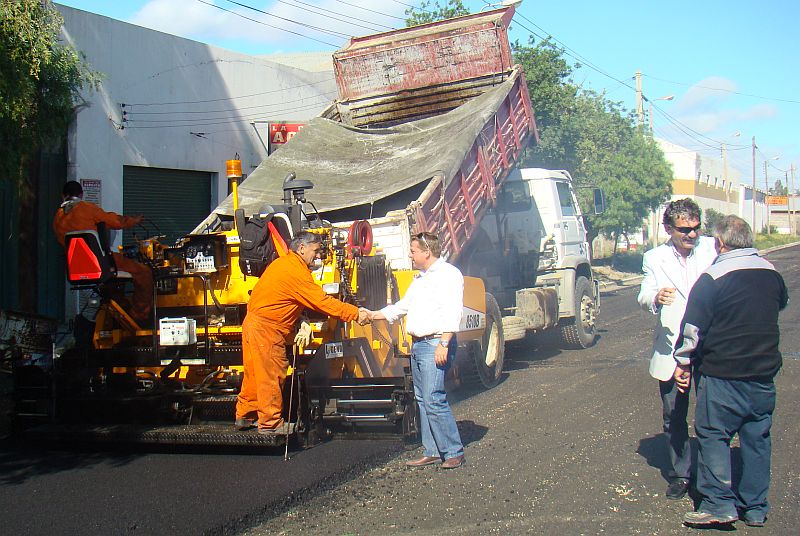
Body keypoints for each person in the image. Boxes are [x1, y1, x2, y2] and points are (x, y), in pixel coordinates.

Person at [674, 215, 787, 528]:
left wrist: (683, 363)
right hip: (763, 376)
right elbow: (779, 305)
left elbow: (692, 329)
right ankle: (755, 507)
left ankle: (718, 503)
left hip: (722, 375)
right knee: (757, 439)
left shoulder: (712, 277)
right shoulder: (771, 272)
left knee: (713, 436)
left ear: (719, 243)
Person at [235, 231, 370, 434]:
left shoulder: (282, 264)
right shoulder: (296, 272)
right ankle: (270, 424)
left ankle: (246, 415)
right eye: (315, 251)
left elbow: (283, 297)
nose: (318, 256)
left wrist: (301, 318)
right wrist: (355, 313)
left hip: (253, 324)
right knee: (272, 374)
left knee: (254, 372)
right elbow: (322, 302)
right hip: (268, 329)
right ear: (301, 248)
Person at [637, 198, 717, 500]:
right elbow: (643, 294)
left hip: (710, 345)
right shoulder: (654, 258)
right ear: (669, 228)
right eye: (685, 230)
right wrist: (656, 296)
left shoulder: (712, 249)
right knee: (674, 415)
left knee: (712, 415)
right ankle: (681, 473)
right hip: (672, 347)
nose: (692, 235)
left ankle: (710, 477)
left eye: (696, 229)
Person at [366, 231, 465, 469]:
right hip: (419, 344)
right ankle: (432, 450)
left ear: (426, 252)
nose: (410, 255)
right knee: (422, 399)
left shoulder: (449, 275)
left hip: (435, 343)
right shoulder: (420, 279)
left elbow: (453, 311)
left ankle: (454, 451)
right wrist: (372, 315)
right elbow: (401, 307)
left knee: (433, 397)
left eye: (413, 251)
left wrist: (444, 342)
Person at [53, 180, 153, 325]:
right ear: (81, 194)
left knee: (112, 284)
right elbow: (116, 221)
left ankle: (121, 313)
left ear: (63, 196)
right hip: (101, 263)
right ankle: (140, 316)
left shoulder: (57, 218)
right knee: (144, 272)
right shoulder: (86, 208)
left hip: (76, 268)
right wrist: (133, 221)